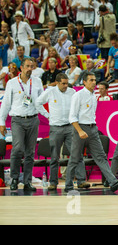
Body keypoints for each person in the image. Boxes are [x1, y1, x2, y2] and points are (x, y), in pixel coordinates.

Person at [65, 72, 118, 193]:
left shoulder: (93, 96)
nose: (94, 82)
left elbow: (92, 114)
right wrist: (79, 131)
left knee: (101, 156)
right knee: (74, 158)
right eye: (91, 80)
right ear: (84, 82)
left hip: (92, 129)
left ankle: (113, 182)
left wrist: (94, 129)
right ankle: (68, 185)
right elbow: (72, 117)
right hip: (81, 127)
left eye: (95, 80)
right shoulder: (78, 95)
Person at [36, 73, 88, 190]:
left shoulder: (72, 92)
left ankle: (81, 180)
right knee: (54, 157)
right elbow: (37, 102)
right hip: (55, 127)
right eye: (63, 83)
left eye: (66, 83)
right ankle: (53, 182)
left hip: (70, 127)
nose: (66, 85)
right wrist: (47, 115)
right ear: (57, 82)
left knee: (76, 154)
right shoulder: (50, 92)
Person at [0, 57, 45, 191]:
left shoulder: (37, 82)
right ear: (22, 68)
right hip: (18, 120)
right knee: (18, 148)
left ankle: (27, 181)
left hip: (33, 118)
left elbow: (42, 100)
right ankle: (14, 178)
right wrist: (2, 122)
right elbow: (6, 104)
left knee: (30, 152)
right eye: (27, 66)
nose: (30, 69)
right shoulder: (12, 83)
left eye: (32, 66)